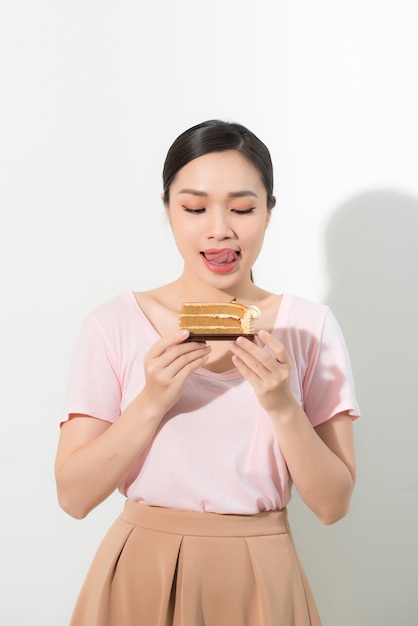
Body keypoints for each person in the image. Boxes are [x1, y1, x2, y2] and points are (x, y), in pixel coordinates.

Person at [55, 119, 360, 626]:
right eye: (194, 208)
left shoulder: (309, 328)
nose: (219, 228)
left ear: (268, 212)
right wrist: (151, 400)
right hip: (140, 575)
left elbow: (332, 505)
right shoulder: (112, 324)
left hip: (262, 577)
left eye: (242, 208)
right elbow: (74, 496)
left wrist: (283, 406)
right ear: (168, 210)